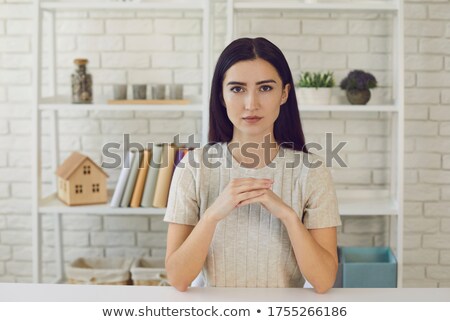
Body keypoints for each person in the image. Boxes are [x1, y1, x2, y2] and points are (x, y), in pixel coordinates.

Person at [163, 37, 341, 293]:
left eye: (265, 88)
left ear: (284, 93)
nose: (251, 104)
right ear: (221, 96)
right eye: (237, 89)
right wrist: (213, 214)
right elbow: (178, 278)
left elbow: (324, 281)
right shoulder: (193, 168)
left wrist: (288, 216)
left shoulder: (312, 172)